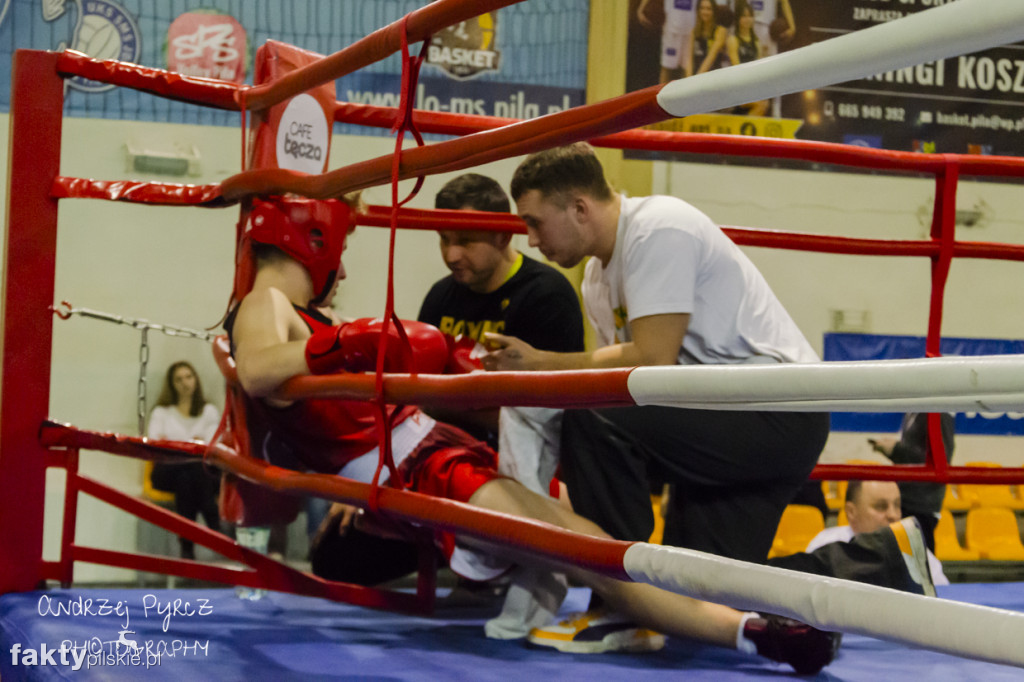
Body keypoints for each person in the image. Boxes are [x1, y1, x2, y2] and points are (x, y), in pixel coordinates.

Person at [223, 193, 842, 675]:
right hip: (419, 469)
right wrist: (350, 344)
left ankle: (802, 596)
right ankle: (758, 634)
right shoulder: (266, 303)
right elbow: (256, 370)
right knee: (587, 547)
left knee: (596, 540)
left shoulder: (310, 315)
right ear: (314, 239)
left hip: (437, 448)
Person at [417, 173, 584, 445]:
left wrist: (445, 404)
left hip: (525, 458)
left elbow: (554, 413)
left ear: (503, 237)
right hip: (445, 450)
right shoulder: (440, 295)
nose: (451, 255)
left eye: (466, 241)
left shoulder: (547, 295)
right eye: (444, 239)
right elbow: (419, 389)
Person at [147, 361, 223, 560]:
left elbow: (212, 445)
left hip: (200, 472)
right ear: (172, 384)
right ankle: (216, 529)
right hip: (167, 471)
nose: (184, 383)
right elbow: (155, 443)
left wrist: (177, 445)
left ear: (196, 379)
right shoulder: (162, 412)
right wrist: (191, 446)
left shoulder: (209, 411)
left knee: (187, 480)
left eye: (188, 377)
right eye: (178, 379)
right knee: (189, 470)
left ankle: (187, 547)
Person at [806, 480, 949, 586]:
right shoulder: (824, 546)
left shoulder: (914, 550)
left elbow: (942, 595)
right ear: (851, 512)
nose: (893, 515)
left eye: (897, 505)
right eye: (881, 507)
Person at [869, 412, 956, 552]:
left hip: (921, 505)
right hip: (908, 500)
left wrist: (895, 449)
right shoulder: (915, 410)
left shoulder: (936, 412)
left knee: (919, 562)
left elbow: (940, 460)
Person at [636, 0, 698, 85]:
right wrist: (641, 9)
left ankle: (687, 94)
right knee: (667, 66)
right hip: (671, 28)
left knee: (687, 66)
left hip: (690, 29)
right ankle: (661, 94)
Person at [725, 0, 768, 116]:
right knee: (760, 105)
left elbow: (759, 70)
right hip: (737, 87)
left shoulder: (757, 42)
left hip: (751, 87)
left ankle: (744, 128)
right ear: (738, 19)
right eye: (744, 16)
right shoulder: (733, 40)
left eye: (750, 16)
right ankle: (743, 132)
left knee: (764, 103)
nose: (747, 19)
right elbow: (737, 68)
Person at [687, 0, 728, 77]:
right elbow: (689, 59)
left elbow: (710, 58)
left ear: (714, 11)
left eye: (709, 9)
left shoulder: (720, 31)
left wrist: (696, 79)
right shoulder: (694, 31)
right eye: (702, 8)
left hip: (713, 76)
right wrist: (688, 78)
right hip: (695, 76)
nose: (705, 12)